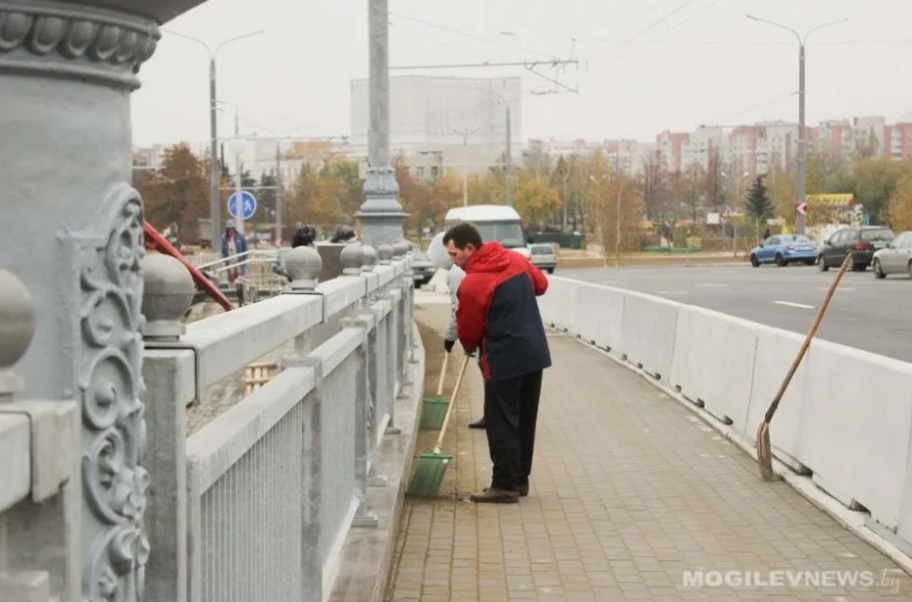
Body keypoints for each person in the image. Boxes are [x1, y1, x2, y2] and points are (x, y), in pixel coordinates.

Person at [444, 222, 551, 503]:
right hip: (534, 352)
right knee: (525, 419)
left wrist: (469, 348)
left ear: (470, 248)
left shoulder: (473, 284)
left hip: (503, 358)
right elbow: (541, 285)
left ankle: (504, 485)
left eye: (454, 254)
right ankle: (520, 480)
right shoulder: (516, 260)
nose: (453, 261)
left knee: (501, 421)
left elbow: (469, 330)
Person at [220, 219, 249, 285]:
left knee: (241, 278)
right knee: (231, 279)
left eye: (232, 228)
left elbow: (245, 248)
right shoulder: (224, 238)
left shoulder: (240, 237)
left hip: (239, 261)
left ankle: (240, 287)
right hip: (230, 262)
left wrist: (244, 258)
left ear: (234, 228)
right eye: (229, 229)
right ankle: (232, 286)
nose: (231, 230)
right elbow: (223, 250)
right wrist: (224, 260)